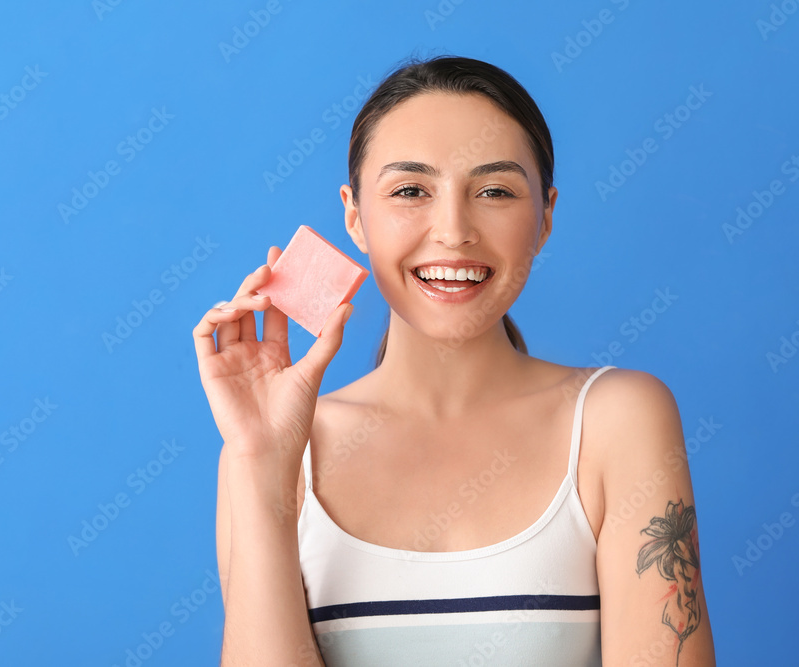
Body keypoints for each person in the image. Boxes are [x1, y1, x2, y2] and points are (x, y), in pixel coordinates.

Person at [195, 54, 716, 666]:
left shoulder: (619, 419)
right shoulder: (269, 451)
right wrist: (261, 464)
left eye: (494, 190)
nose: (453, 229)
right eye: (411, 190)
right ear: (354, 215)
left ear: (545, 215)